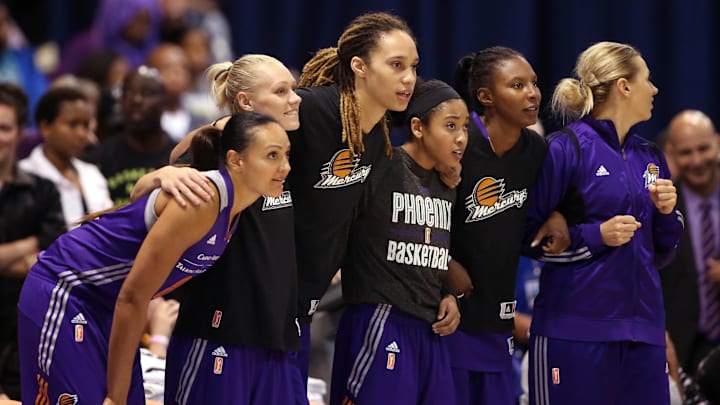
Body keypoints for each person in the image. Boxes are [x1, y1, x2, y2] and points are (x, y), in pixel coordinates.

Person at [16, 112, 291, 405]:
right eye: (272, 156)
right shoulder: (203, 199)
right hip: (67, 290)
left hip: (108, 306)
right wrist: (116, 396)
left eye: (286, 154)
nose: (285, 167)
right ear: (236, 160)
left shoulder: (234, 205)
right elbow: (133, 297)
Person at [130, 54, 306, 404]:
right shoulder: (218, 146)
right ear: (245, 102)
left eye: (294, 88)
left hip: (277, 337)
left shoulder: (286, 150)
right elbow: (146, 191)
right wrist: (161, 175)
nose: (296, 98)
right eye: (282, 90)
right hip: (217, 334)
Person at [525, 41, 684, 404]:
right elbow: (527, 238)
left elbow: (661, 253)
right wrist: (596, 235)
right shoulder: (565, 148)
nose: (655, 89)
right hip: (574, 331)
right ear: (624, 86)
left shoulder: (651, 155)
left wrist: (666, 215)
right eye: (647, 79)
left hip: (643, 333)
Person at [292, 12, 419, 391]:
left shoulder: (377, 139)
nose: (408, 78)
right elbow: (225, 136)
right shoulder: (310, 109)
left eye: (412, 66)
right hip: (253, 296)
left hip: (301, 302)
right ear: (359, 67)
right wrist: (172, 171)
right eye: (396, 65)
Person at [330, 79, 465, 405]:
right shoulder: (385, 164)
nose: (461, 137)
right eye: (450, 126)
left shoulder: (448, 180)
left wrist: (448, 293)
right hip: (381, 319)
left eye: (464, 127)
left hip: (429, 326)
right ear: (418, 127)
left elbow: (431, 251)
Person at [442, 46, 555, 405]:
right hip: (447, 316)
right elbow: (414, 217)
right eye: (517, 85)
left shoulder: (534, 150)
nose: (533, 93)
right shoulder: (457, 145)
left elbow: (556, 204)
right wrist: (444, 264)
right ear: (485, 97)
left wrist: (560, 215)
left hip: (499, 319)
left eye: (534, 84)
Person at [0, 83, 65, 401]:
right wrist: (29, 243)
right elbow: (36, 252)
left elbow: (47, 264)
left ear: (21, 132)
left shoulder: (44, 192)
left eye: (4, 128)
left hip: (25, 331)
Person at [661, 110, 720, 374]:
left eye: (703, 148)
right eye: (686, 153)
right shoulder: (658, 208)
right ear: (671, 154)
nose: (697, 161)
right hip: (682, 353)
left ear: (717, 142)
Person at [18, 86, 113, 229]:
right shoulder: (23, 177)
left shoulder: (92, 173)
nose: (82, 134)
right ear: (45, 127)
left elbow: (110, 224)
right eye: (72, 124)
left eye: (85, 125)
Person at [82, 66, 177, 205]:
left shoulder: (179, 157)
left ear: (165, 102)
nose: (136, 100)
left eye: (147, 93)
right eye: (129, 93)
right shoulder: (98, 159)